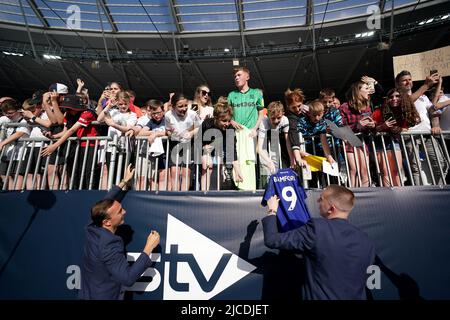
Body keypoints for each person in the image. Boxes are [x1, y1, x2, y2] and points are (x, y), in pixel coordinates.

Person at [263, 184, 375, 300]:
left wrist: (272, 210)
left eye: (321, 199)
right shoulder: (366, 240)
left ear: (332, 209)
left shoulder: (317, 229)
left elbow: (272, 239)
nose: (318, 201)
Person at [79, 164, 160, 300]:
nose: (125, 212)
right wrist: (148, 248)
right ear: (107, 222)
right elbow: (128, 278)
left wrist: (123, 182)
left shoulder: (92, 226)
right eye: (120, 211)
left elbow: (105, 202)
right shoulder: (109, 245)